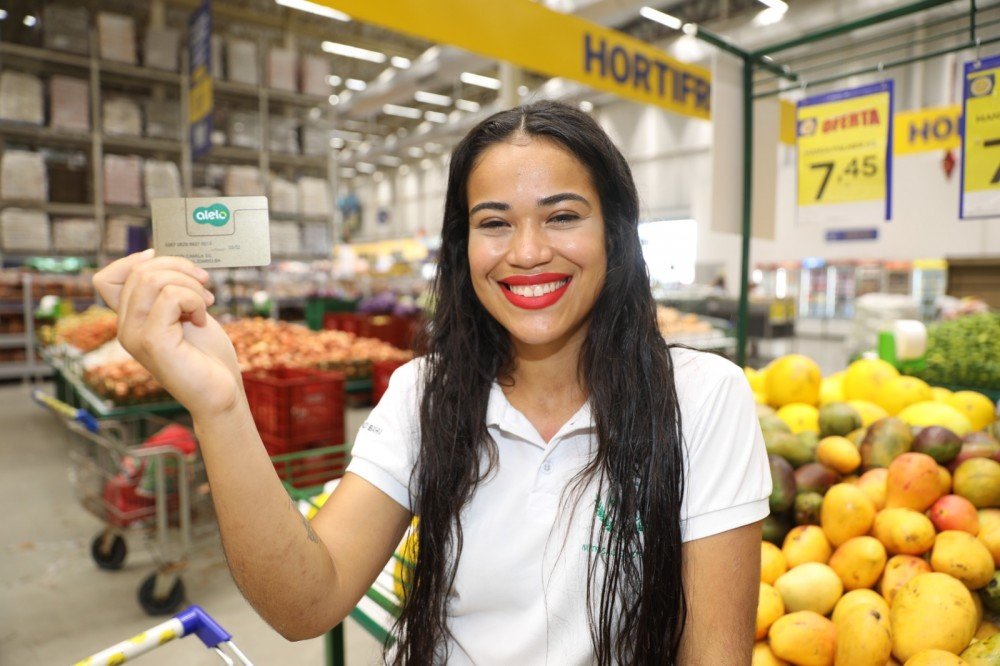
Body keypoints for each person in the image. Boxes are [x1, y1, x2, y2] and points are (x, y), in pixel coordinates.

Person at [95, 100, 770, 665]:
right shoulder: (425, 394)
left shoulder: (703, 398)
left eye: (562, 216)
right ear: (463, 246)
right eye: (494, 223)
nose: (527, 251)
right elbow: (305, 603)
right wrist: (219, 403)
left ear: (617, 236)